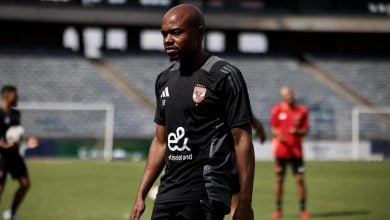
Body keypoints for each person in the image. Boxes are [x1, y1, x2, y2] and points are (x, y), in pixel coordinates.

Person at [130, 4, 255, 220]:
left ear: (199, 32)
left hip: (206, 192)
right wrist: (141, 194)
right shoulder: (164, 79)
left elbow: (242, 140)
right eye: (164, 34)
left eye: (176, 32)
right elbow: (160, 142)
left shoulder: (225, 76)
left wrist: (245, 202)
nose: (168, 39)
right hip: (167, 193)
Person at [270, 87, 310, 220]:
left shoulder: (302, 110)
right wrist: (278, 135)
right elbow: (273, 127)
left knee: (299, 180)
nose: (288, 97)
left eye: (289, 94)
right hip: (281, 152)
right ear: (282, 97)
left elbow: (306, 130)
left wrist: (297, 132)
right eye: (285, 95)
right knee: (279, 180)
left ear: (293, 94)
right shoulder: (277, 109)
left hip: (296, 152)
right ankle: (278, 209)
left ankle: (303, 209)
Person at [0, 85, 35, 220]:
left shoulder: (16, 114)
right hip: (2, 155)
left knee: (25, 184)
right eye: (15, 95)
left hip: (14, 155)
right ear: (6, 95)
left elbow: (17, 135)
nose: (17, 98)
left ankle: (12, 213)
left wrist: (27, 141)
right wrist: (3, 144)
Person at [230, 116, 266, 219]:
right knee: (236, 203)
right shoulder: (236, 106)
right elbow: (253, 120)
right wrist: (261, 131)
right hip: (231, 153)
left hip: (220, 155)